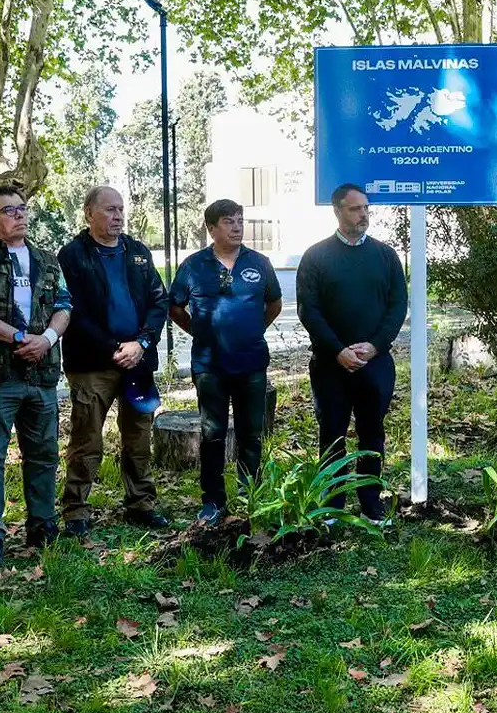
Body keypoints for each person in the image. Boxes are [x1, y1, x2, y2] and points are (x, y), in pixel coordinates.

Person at [0, 186, 72, 566]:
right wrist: (19, 336)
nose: (19, 216)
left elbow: (64, 305)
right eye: (9, 211)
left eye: (22, 209)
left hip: (41, 374)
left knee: (43, 453)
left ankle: (42, 524)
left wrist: (48, 338)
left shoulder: (46, 259)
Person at [58, 186, 172, 537]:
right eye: (110, 210)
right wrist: (114, 348)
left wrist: (141, 342)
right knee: (86, 438)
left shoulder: (136, 252)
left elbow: (159, 301)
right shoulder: (73, 255)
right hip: (92, 363)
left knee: (138, 436)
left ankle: (141, 503)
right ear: (89, 213)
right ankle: (76, 510)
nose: (118, 216)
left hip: (139, 361)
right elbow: (73, 312)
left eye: (121, 209)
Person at [296, 184, 407, 522]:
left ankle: (371, 502)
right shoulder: (316, 257)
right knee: (332, 433)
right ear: (337, 211)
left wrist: (375, 346)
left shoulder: (385, 256)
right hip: (332, 365)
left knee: (372, 432)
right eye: (355, 209)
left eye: (366, 208)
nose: (363, 215)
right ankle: (332, 504)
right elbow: (309, 311)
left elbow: (397, 306)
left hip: (375, 364)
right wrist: (338, 350)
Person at [170, 199, 284, 525]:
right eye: (228, 222)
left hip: (251, 365)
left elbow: (273, 304)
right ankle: (214, 502)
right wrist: (200, 332)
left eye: (239, 220)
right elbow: (175, 307)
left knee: (251, 434)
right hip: (209, 367)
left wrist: (252, 330)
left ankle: (251, 497)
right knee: (212, 434)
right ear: (211, 228)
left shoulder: (259, 263)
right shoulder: (193, 266)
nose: (236, 227)